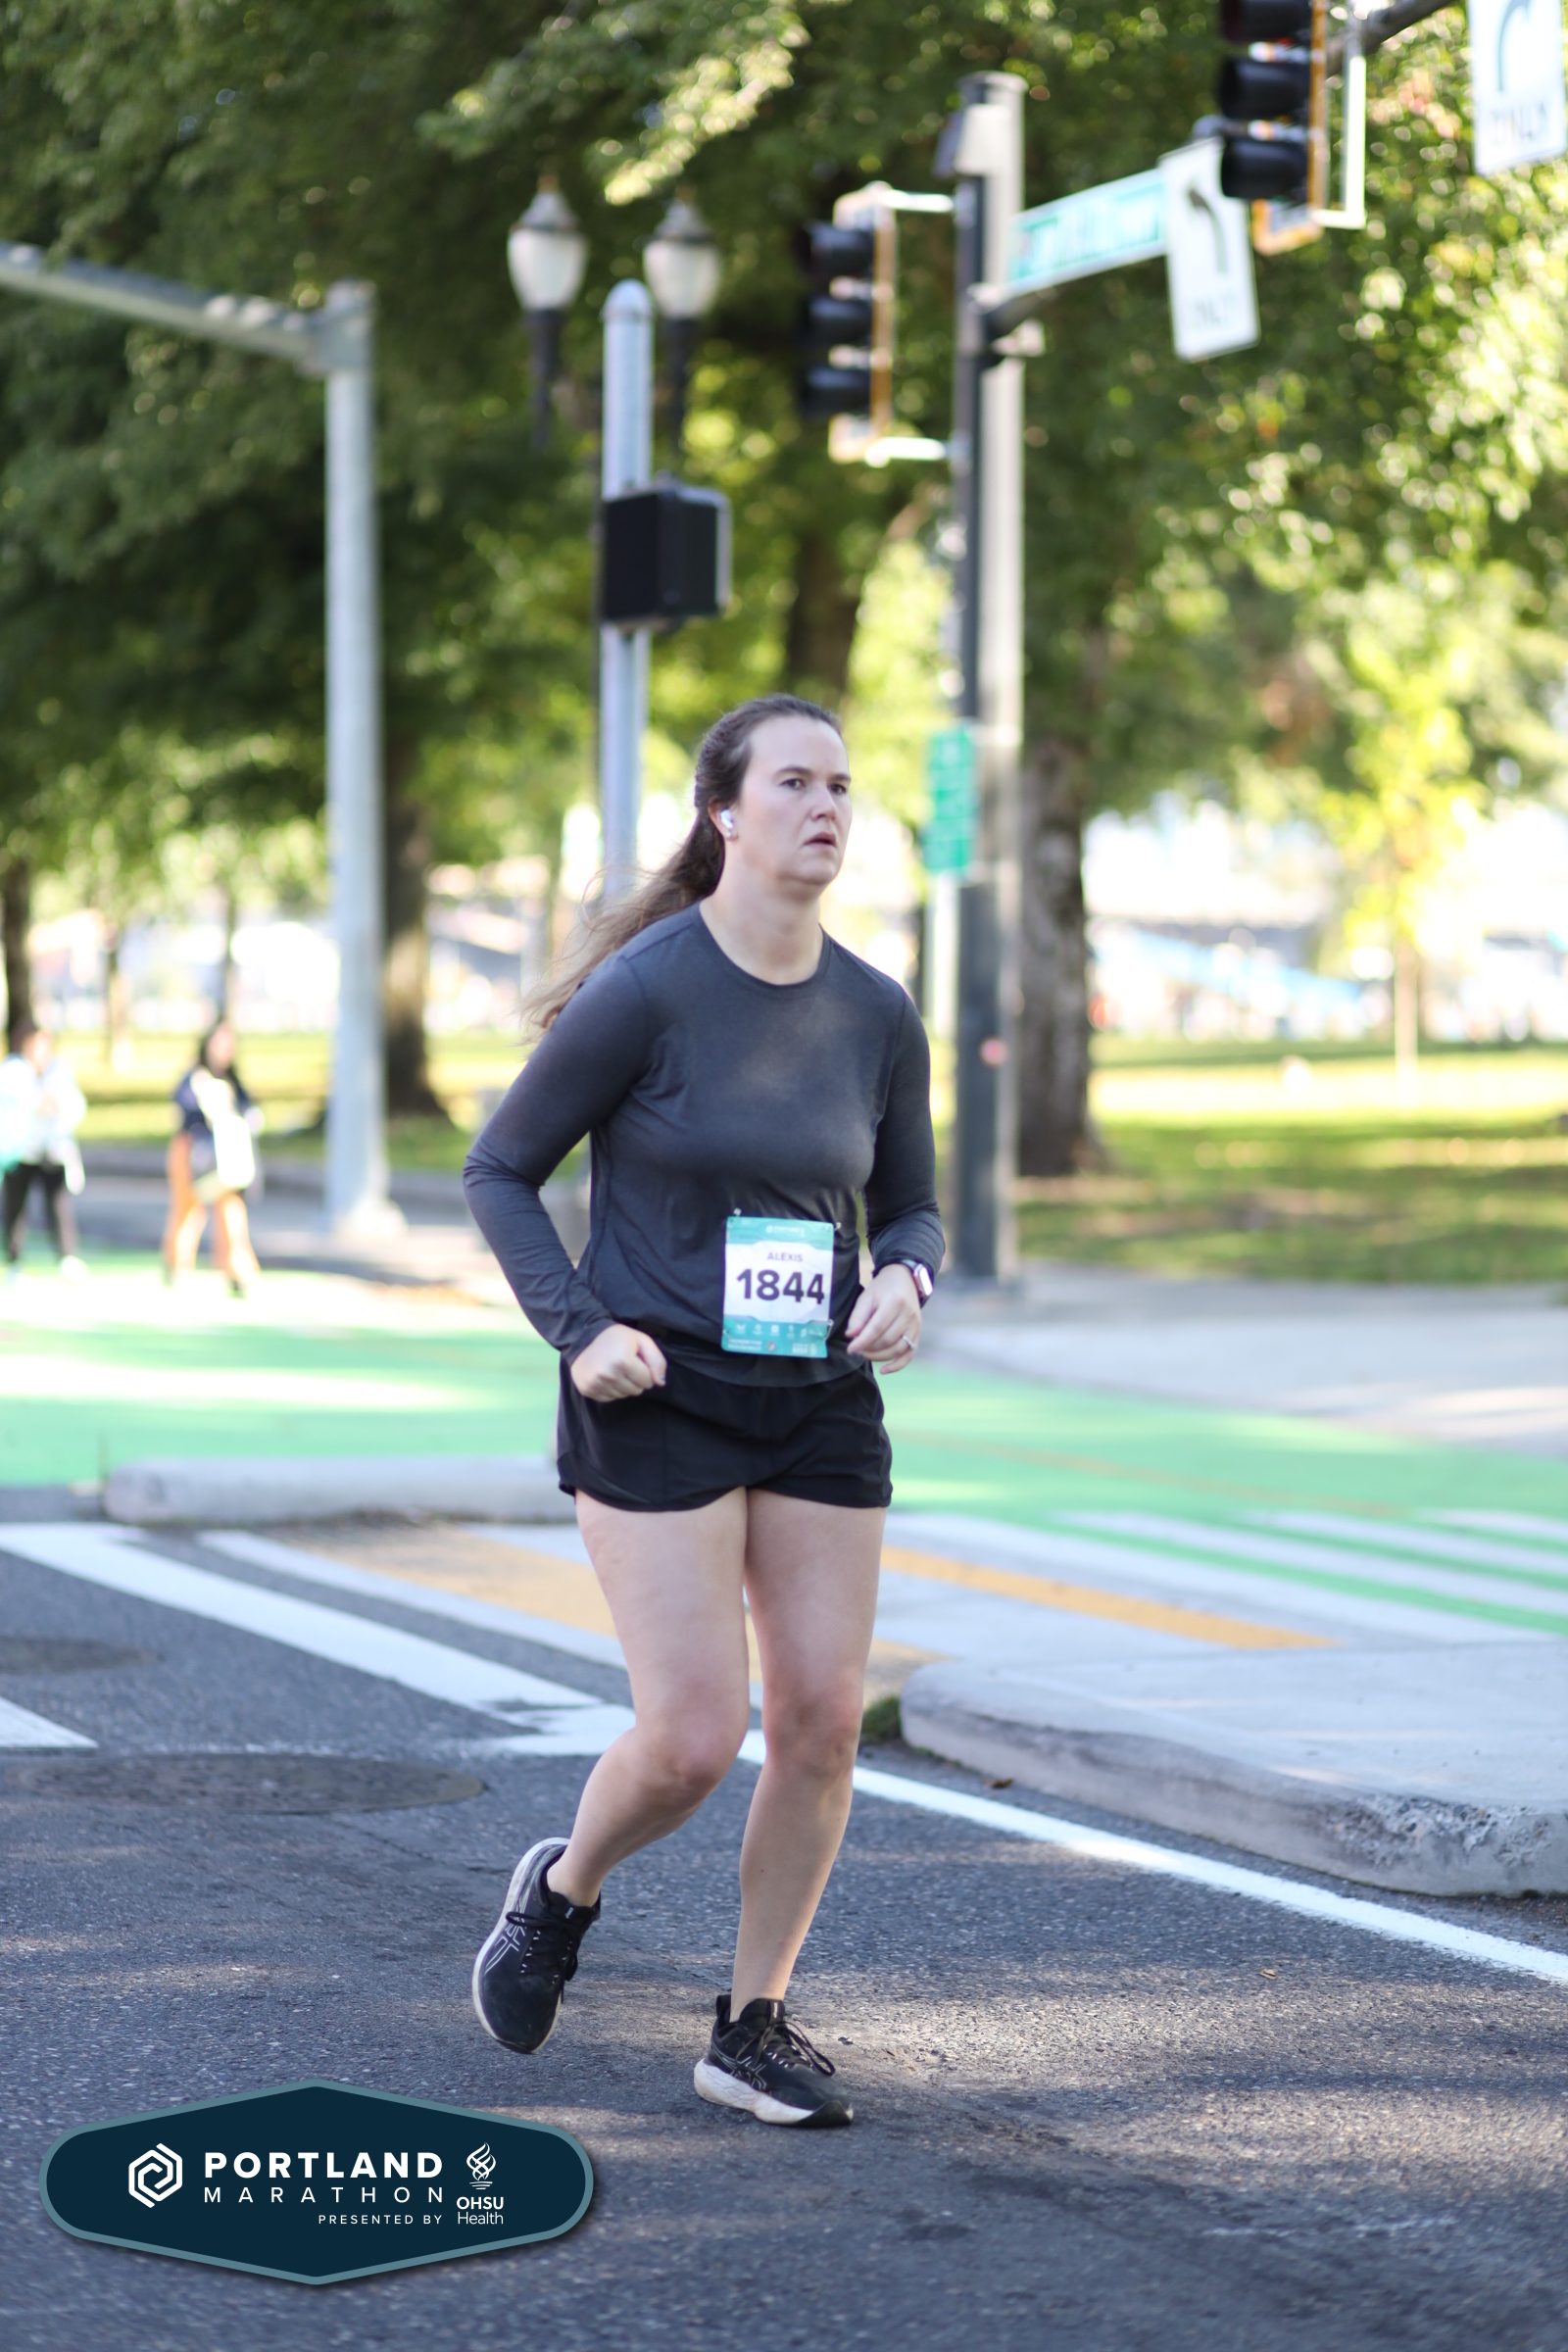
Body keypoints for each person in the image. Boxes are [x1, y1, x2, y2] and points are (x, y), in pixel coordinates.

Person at [464, 694, 943, 2130]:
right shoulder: (651, 990)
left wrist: (906, 1276)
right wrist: (580, 1331)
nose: (826, 807)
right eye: (795, 782)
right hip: (658, 1395)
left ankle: (751, 2026)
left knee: (822, 1722)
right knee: (687, 1739)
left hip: (817, 1403)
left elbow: (912, 1203)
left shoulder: (876, 1010)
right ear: (724, 811)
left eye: (841, 786)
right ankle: (561, 1891)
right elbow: (500, 1169)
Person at [164, 1019, 263, 1297]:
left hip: (227, 1153)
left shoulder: (233, 1080)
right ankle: (177, 1265)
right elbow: (184, 1110)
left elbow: (248, 1111)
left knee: (231, 1210)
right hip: (194, 1150)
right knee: (188, 1210)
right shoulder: (195, 1078)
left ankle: (237, 1269)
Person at [0, 1023, 87, 1279]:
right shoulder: (13, 1070)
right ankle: (14, 1260)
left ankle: (66, 1256)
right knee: (16, 1207)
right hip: (21, 1151)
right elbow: (17, 1103)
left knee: (58, 1205)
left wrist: (58, 1105)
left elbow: (74, 1104)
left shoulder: (59, 1070)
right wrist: (39, 1103)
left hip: (53, 1149)